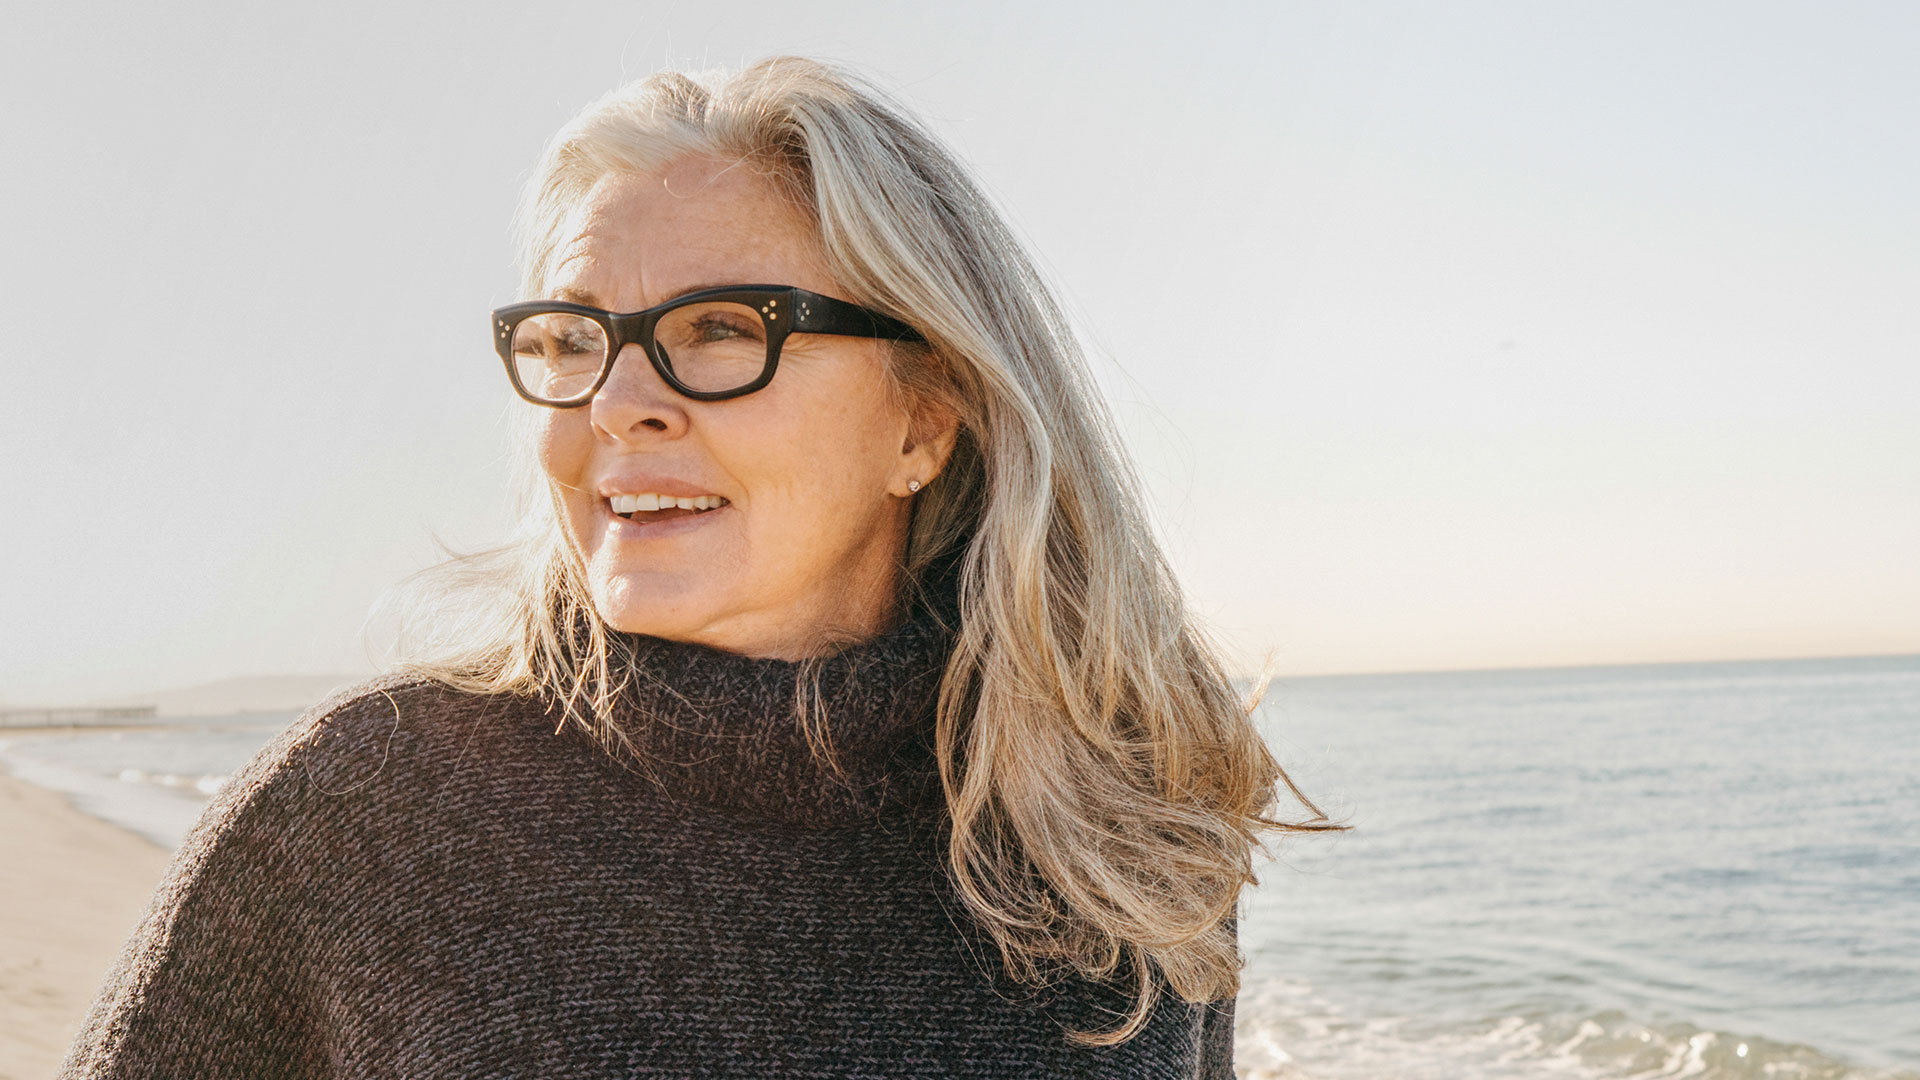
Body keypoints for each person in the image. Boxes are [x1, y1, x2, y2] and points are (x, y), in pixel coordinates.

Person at [61, 56, 1334, 1078]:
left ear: (925, 416)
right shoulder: (369, 812)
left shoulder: (1122, 837)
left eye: (720, 330)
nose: (618, 402)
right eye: (575, 338)